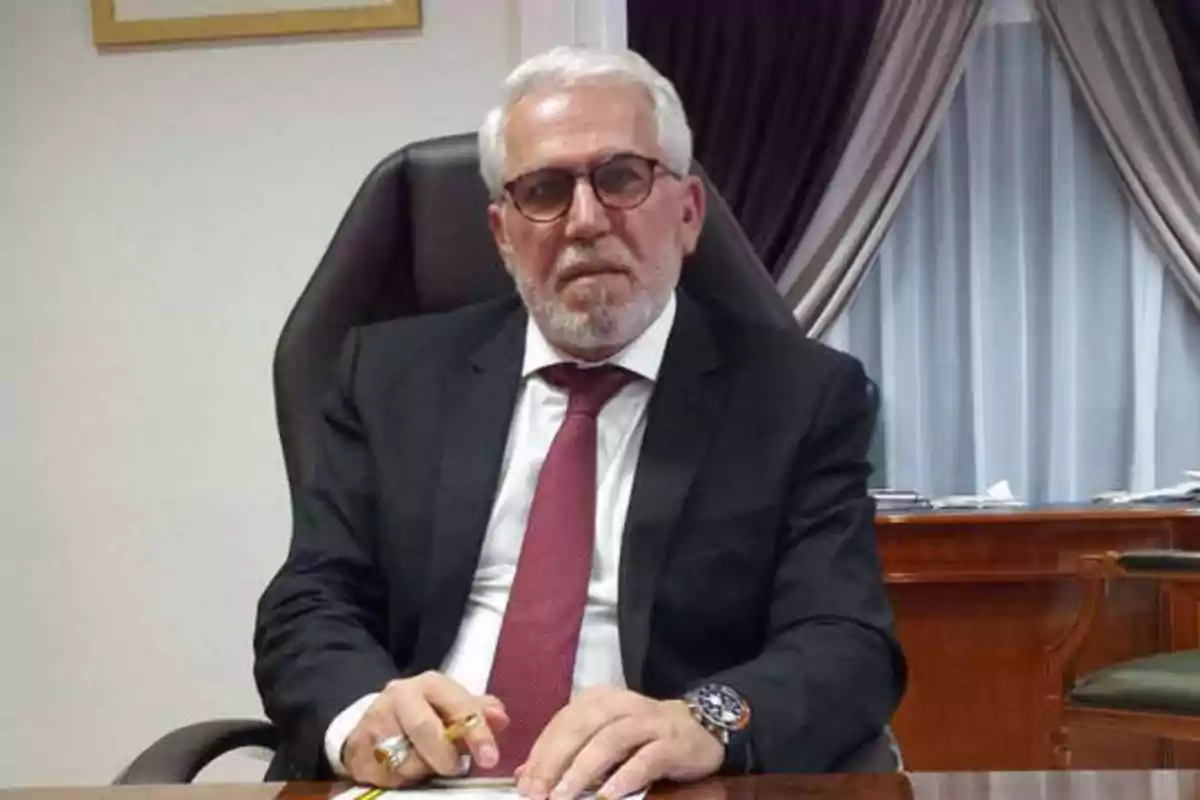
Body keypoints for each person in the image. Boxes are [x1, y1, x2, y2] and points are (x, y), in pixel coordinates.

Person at [254, 46, 905, 797]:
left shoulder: (799, 396)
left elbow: (846, 643)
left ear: (688, 213)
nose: (586, 221)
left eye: (622, 178)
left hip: (657, 787)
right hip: (417, 783)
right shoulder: (388, 376)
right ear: (502, 234)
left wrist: (704, 721)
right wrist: (364, 714)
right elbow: (309, 603)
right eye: (544, 191)